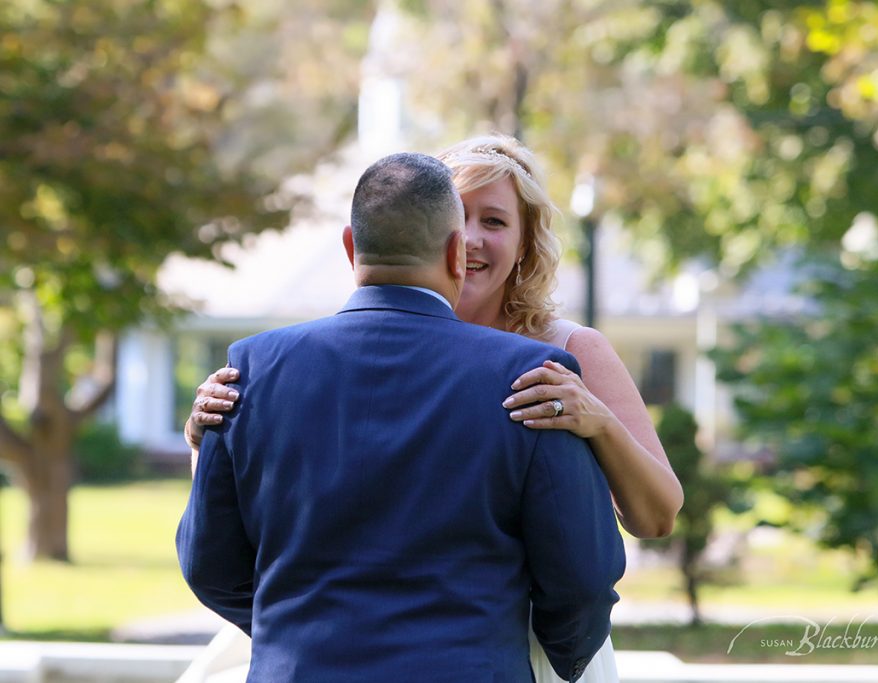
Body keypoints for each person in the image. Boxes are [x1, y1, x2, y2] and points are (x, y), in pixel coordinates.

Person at [184, 135, 684, 682]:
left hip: (516, 651)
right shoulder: (312, 357)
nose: (471, 240)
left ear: (526, 242)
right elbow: (246, 519)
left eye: (494, 222)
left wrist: (600, 422)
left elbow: (650, 520)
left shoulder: (562, 357)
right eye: (460, 217)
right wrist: (206, 439)